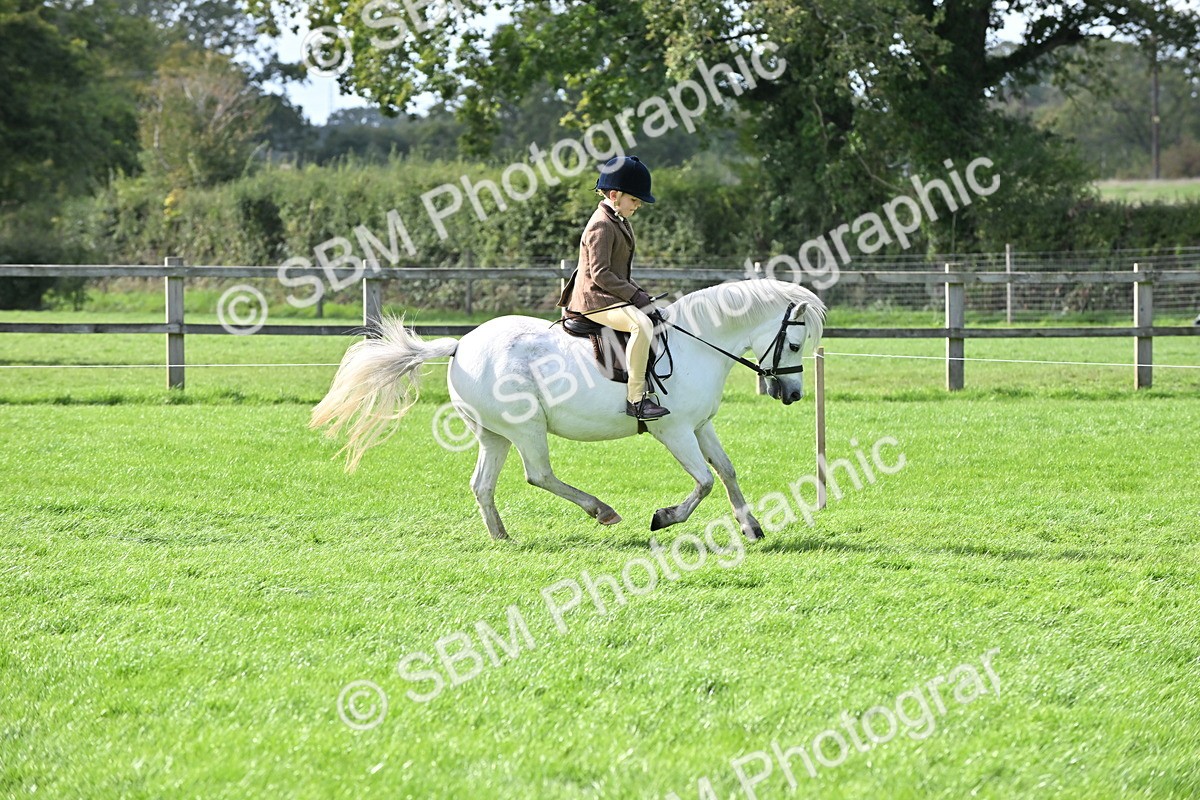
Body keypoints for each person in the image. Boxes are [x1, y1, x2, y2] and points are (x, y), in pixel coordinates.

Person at [558, 155, 668, 420]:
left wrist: (642, 295)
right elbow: (601, 274)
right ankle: (636, 399)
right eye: (635, 200)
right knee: (641, 325)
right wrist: (634, 295)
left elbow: (620, 272)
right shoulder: (601, 224)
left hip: (609, 295)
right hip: (594, 300)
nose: (638, 205)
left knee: (657, 315)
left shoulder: (619, 220)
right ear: (615, 195)